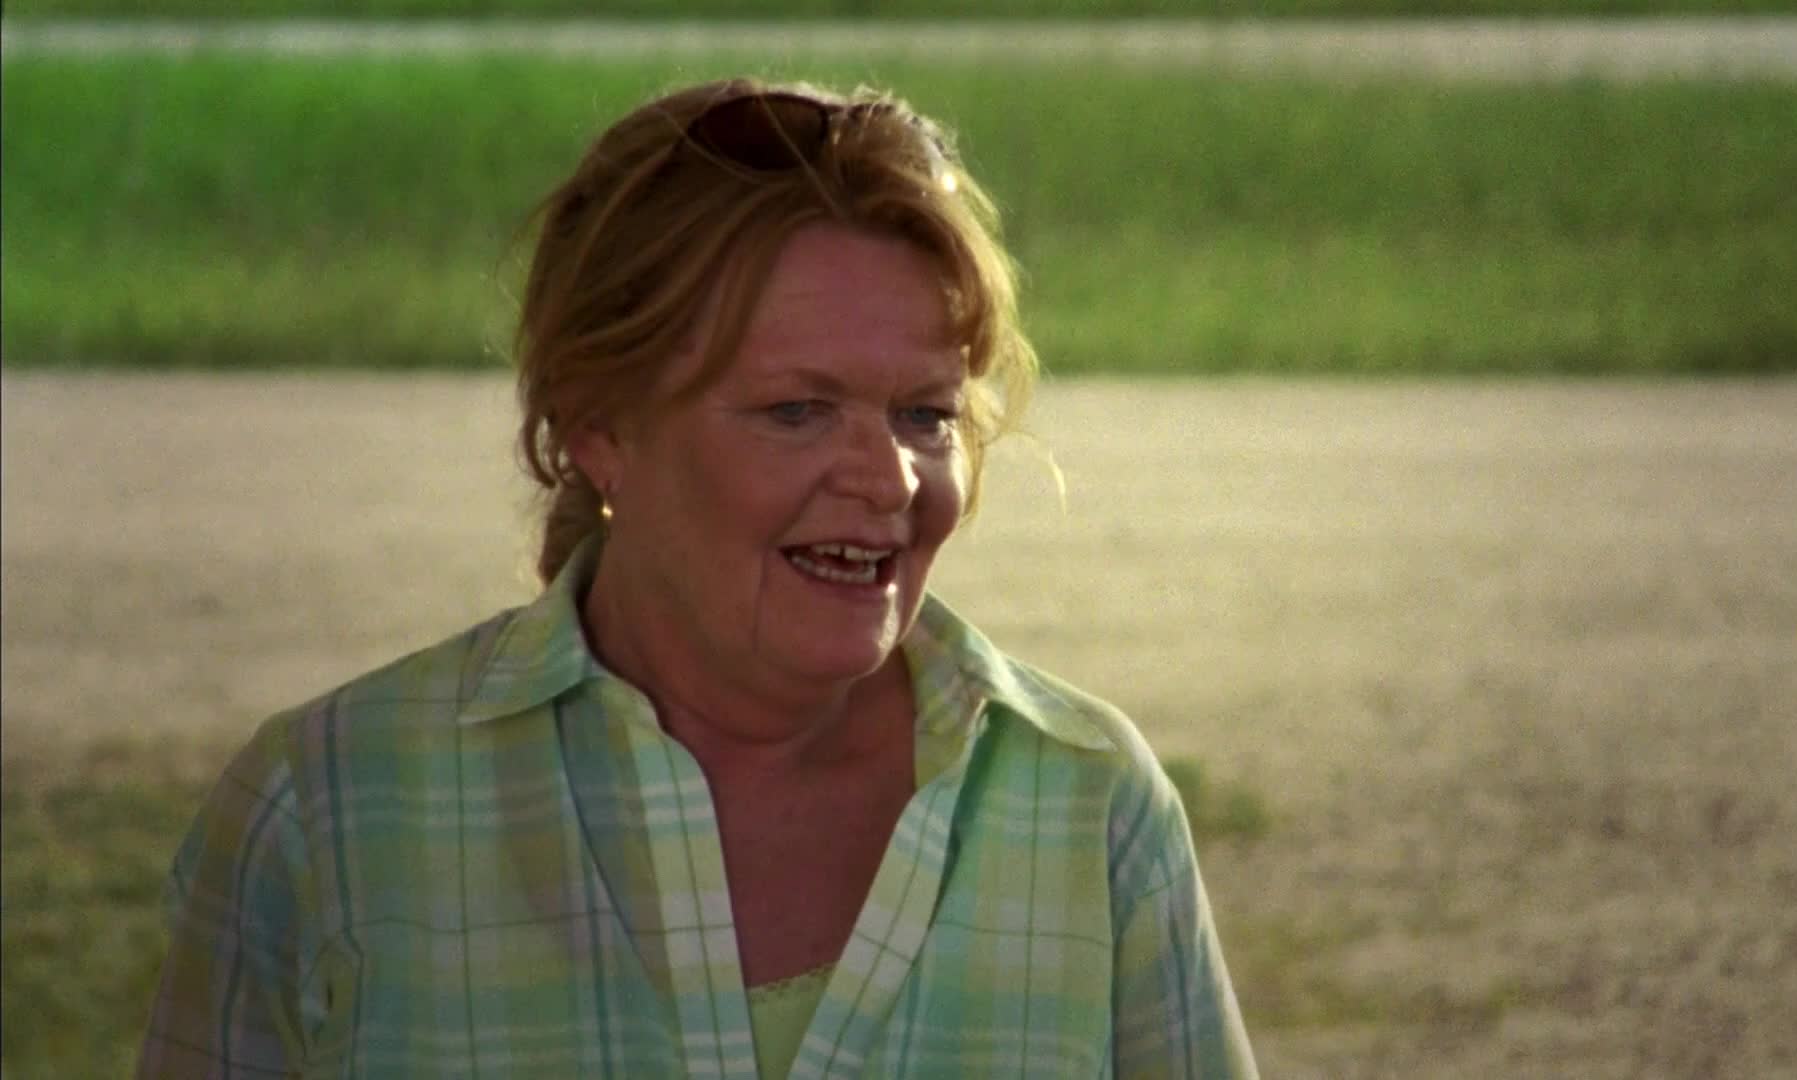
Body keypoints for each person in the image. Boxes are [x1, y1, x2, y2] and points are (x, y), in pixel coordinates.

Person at [138, 77, 1256, 1078]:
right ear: (600, 426)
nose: (887, 479)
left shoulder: (1088, 805)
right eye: (796, 410)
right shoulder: (331, 813)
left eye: (926, 415)